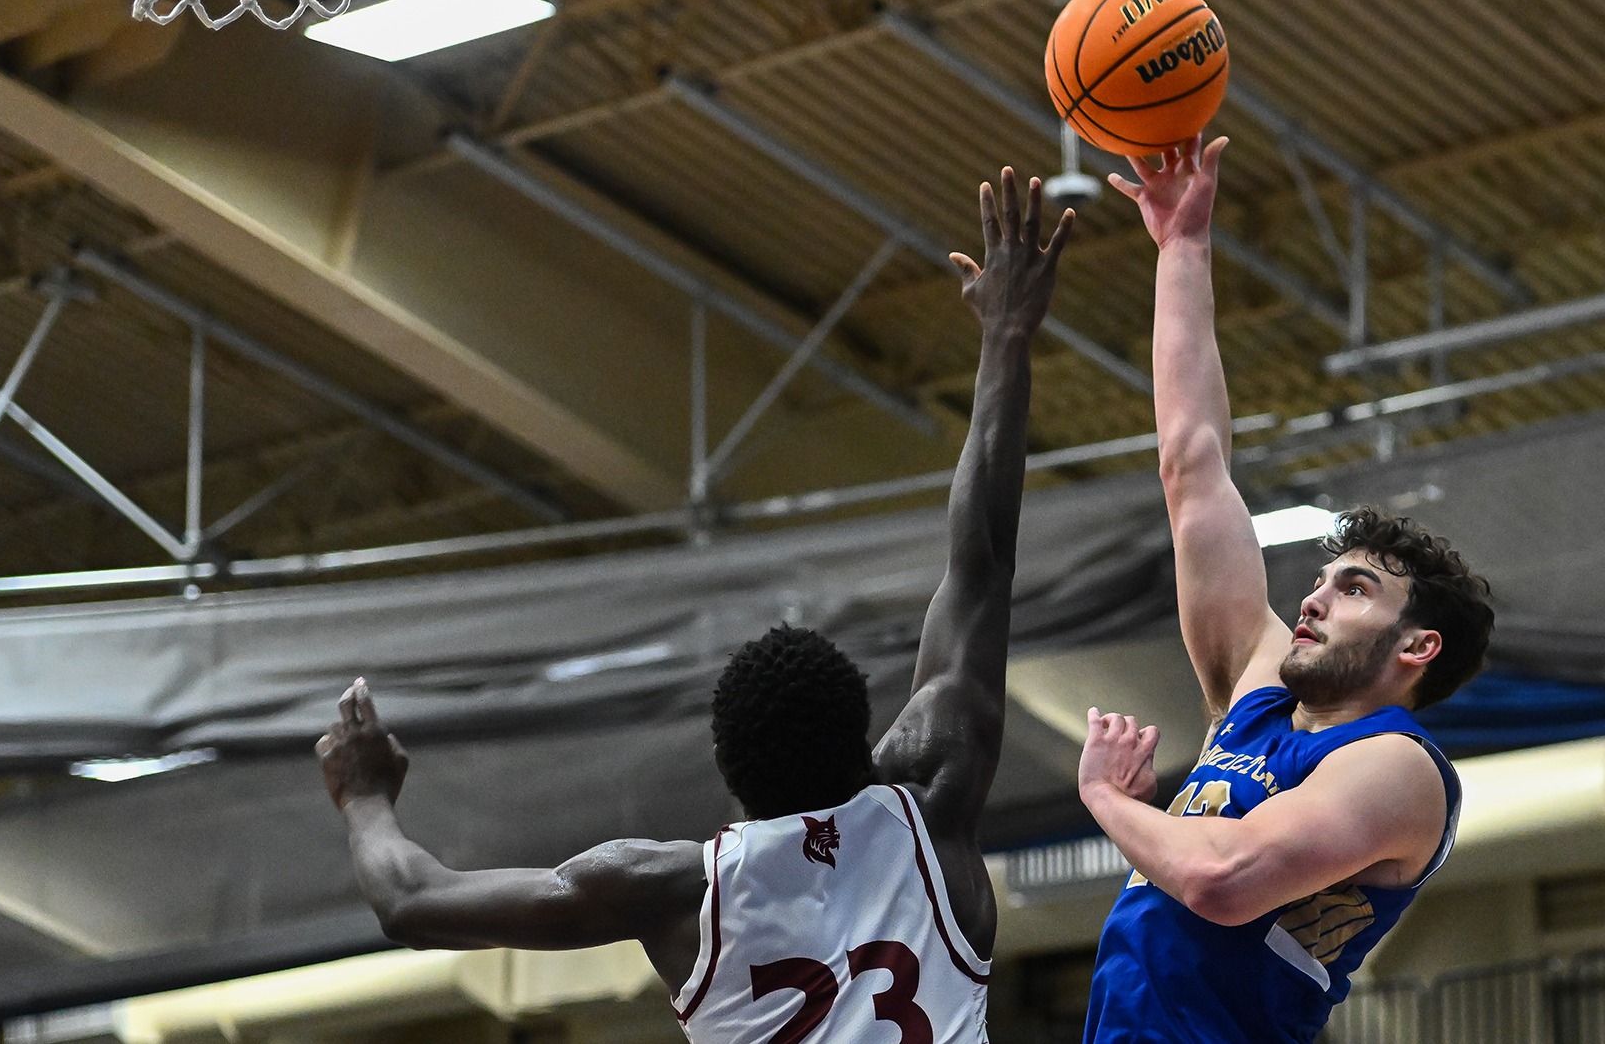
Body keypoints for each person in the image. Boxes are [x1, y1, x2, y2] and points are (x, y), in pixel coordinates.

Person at [316, 168, 1074, 1044]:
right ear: (867, 736)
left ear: (728, 770)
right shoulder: (933, 794)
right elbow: (981, 558)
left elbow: (411, 901)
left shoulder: (673, 887)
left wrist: (364, 796)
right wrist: (1008, 334)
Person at [1072, 135, 1495, 1044]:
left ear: (1416, 644)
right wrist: (1182, 252)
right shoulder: (1260, 691)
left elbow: (1224, 882)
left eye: (1352, 588)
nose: (1309, 600)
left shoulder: (1399, 765)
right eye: (1319, 580)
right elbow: (1194, 469)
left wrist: (1111, 803)